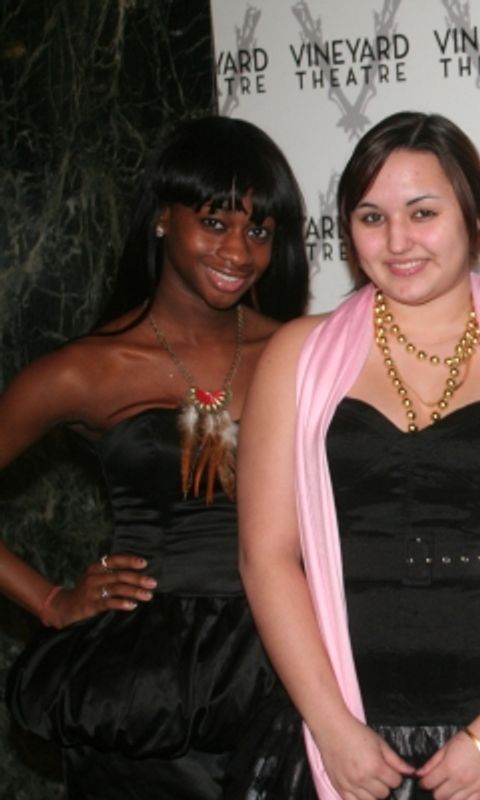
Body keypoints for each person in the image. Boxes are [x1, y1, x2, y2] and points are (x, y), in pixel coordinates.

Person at [232, 111, 480, 800]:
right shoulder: (295, 359)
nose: (398, 241)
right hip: (330, 734)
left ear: (476, 219)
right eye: (371, 217)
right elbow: (266, 556)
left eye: (422, 212)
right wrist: (334, 731)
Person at [2, 116, 309, 797]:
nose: (239, 250)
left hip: (282, 666)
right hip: (144, 690)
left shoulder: (299, 351)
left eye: (260, 230)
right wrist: (50, 600)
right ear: (163, 219)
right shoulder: (88, 371)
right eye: (215, 221)